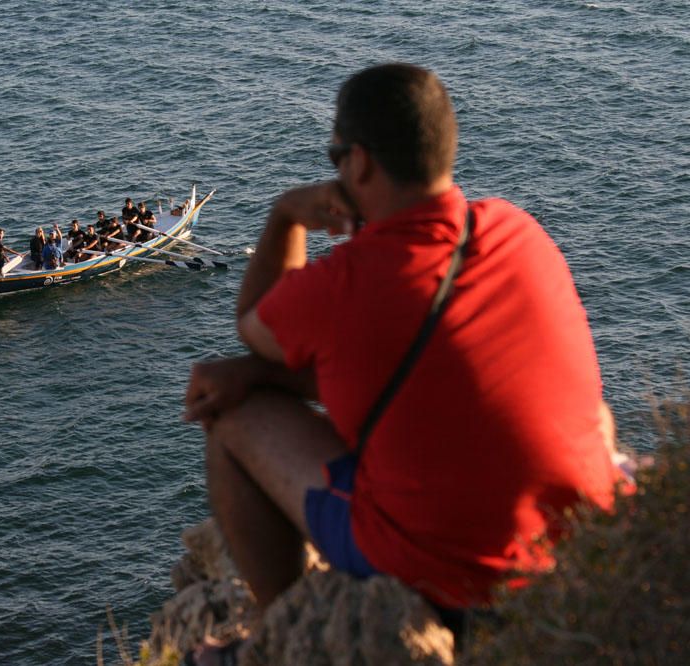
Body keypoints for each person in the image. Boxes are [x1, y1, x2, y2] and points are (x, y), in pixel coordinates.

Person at [183, 63, 621, 663]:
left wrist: (287, 213)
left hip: (457, 584)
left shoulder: (347, 283)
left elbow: (256, 325)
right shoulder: (521, 231)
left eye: (335, 154)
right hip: (581, 549)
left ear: (358, 162)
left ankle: (279, 634)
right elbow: (413, 368)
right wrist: (260, 371)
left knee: (233, 421)